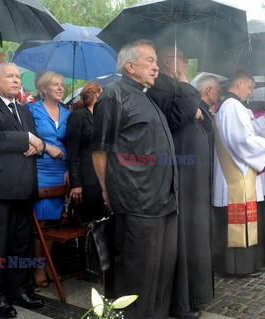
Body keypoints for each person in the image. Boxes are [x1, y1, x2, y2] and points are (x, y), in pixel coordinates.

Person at [92, 39, 178, 319]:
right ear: (130, 66)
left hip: (164, 201)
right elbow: (100, 150)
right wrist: (107, 189)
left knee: (161, 275)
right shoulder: (113, 96)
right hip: (136, 202)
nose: (156, 67)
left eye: (156, 61)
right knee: (136, 276)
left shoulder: (146, 96)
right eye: (150, 61)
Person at [0, 62, 45, 318]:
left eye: (18, 76)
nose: (17, 80)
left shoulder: (24, 111)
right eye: (11, 76)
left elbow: (37, 141)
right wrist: (27, 139)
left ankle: (18, 289)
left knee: (21, 244)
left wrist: (38, 145)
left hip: (24, 187)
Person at [147, 46, 213, 319]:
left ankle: (198, 294)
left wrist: (196, 110)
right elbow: (175, 118)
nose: (186, 62)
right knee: (184, 233)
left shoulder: (179, 87)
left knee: (197, 231)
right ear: (168, 61)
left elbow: (205, 119)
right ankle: (181, 302)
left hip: (196, 174)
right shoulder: (159, 88)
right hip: (180, 173)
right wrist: (186, 87)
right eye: (182, 58)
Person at [213, 69, 265, 277]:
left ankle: (243, 265)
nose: (251, 92)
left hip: (236, 174)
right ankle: (238, 268)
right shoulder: (232, 106)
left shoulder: (232, 106)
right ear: (239, 84)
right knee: (237, 223)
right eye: (250, 87)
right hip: (235, 177)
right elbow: (242, 140)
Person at [26, 71, 70, 288]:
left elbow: (72, 143)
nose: (61, 88)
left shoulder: (68, 113)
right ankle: (38, 267)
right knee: (40, 223)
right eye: (55, 84)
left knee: (53, 221)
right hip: (39, 169)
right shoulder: (31, 110)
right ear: (43, 89)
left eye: (62, 84)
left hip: (60, 170)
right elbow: (27, 139)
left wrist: (70, 169)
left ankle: (49, 264)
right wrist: (46, 149)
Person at [66, 82, 106, 278]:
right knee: (89, 222)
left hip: (102, 175)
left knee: (102, 220)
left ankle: (100, 263)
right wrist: (76, 183)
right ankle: (87, 267)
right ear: (96, 94)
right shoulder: (78, 116)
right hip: (86, 177)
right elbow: (72, 151)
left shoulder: (101, 116)